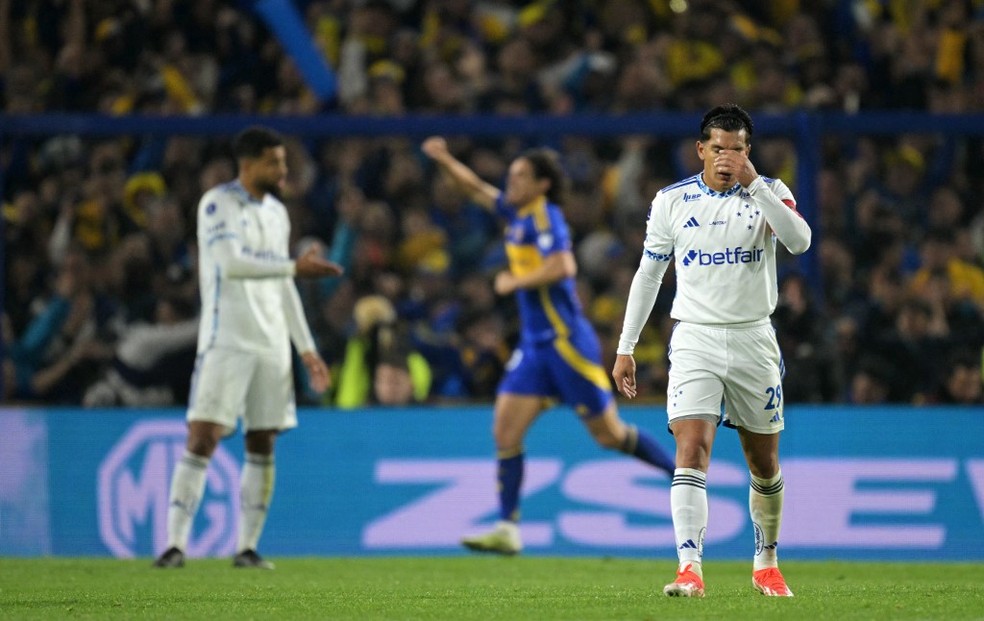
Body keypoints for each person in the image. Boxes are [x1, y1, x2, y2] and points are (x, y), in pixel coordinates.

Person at [421, 136, 675, 555]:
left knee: (609, 436)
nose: (510, 181)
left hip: (566, 344)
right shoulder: (515, 212)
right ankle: (507, 526)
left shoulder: (546, 217)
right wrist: (446, 158)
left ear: (541, 184)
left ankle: (679, 474)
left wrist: (513, 281)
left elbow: (563, 265)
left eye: (520, 175)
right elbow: (475, 188)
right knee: (505, 429)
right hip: (535, 346)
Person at [612, 104, 811, 598]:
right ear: (701, 149)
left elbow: (800, 242)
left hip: (753, 339)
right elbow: (649, 275)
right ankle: (689, 569)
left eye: (738, 148)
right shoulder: (671, 201)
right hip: (695, 337)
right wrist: (626, 346)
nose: (727, 157)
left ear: (749, 151)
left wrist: (758, 185)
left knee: (763, 463)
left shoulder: (770, 193)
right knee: (691, 451)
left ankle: (766, 561)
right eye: (718, 148)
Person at [154, 126, 343, 569]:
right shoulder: (218, 203)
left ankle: (247, 548)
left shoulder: (278, 213)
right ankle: (175, 545)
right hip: (228, 339)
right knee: (203, 437)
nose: (283, 170)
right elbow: (230, 263)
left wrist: (306, 348)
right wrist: (294, 265)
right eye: (274, 162)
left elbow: (283, 284)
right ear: (249, 164)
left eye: (283, 161)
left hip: (272, 344)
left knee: (263, 441)